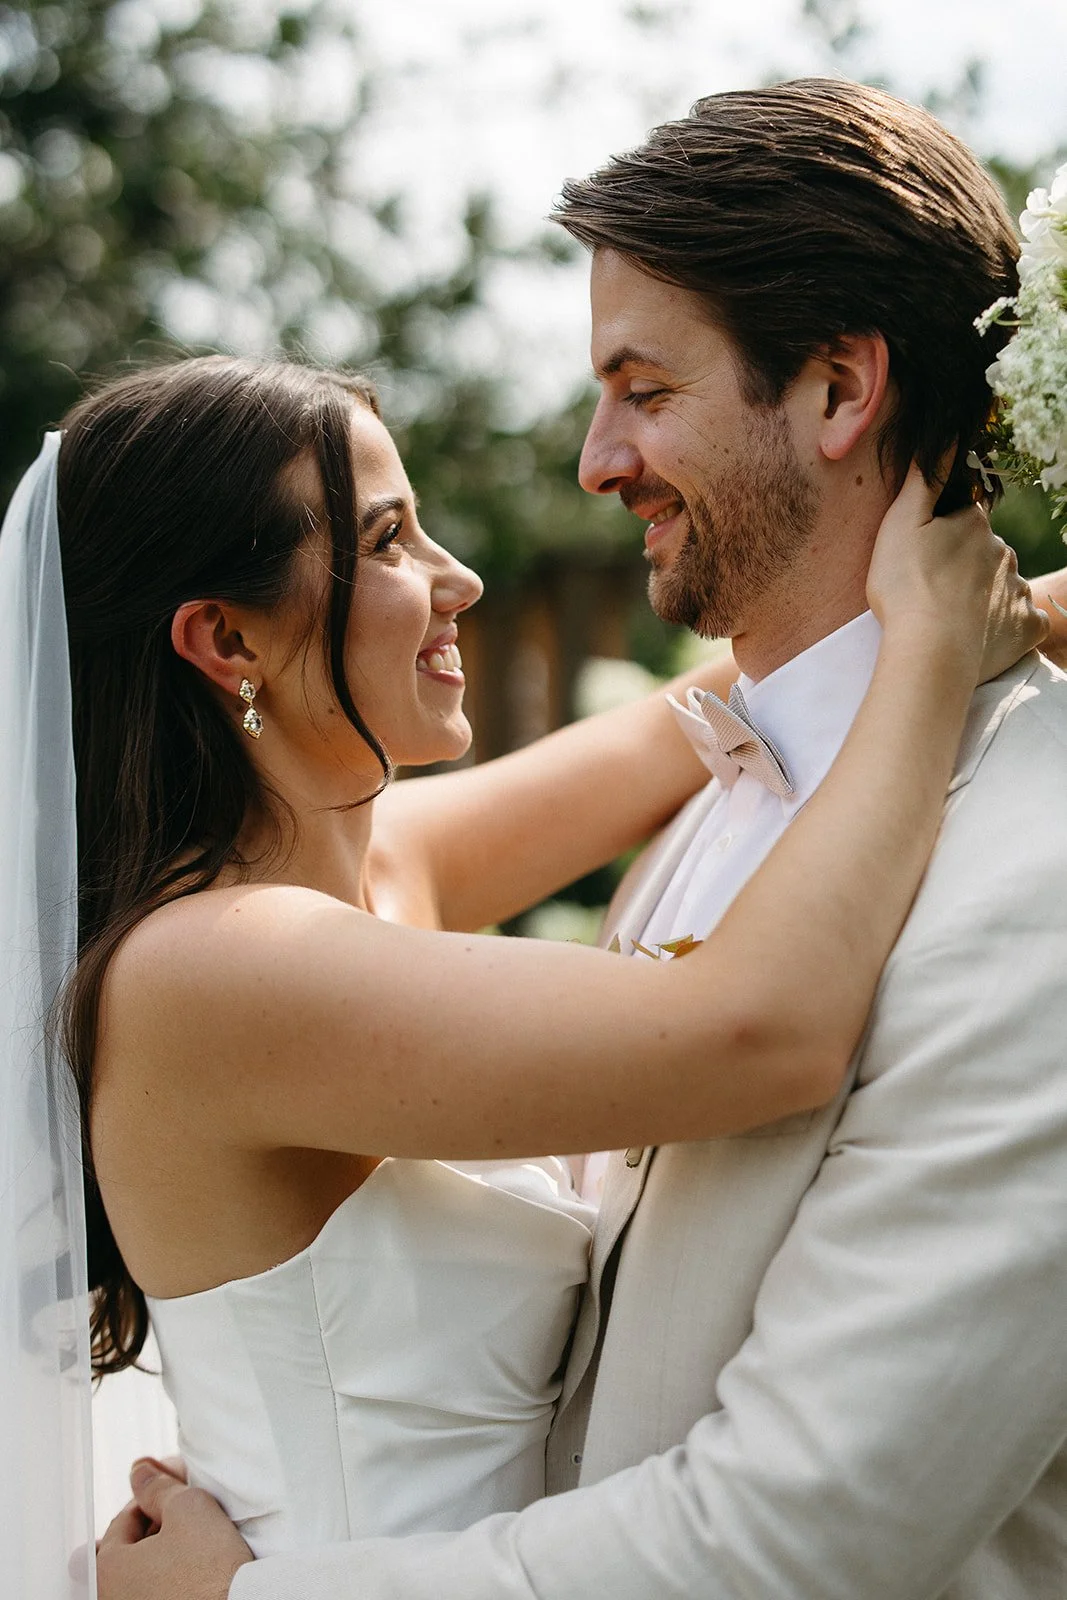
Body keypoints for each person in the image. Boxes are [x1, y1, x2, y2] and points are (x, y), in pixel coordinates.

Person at [95, 78, 1067, 1600]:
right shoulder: (217, 961)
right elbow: (748, 1023)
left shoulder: (1019, 873)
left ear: (836, 391)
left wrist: (980, 628)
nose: (586, 465)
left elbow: (794, 1538)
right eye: (387, 539)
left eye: (642, 387)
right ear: (227, 643)